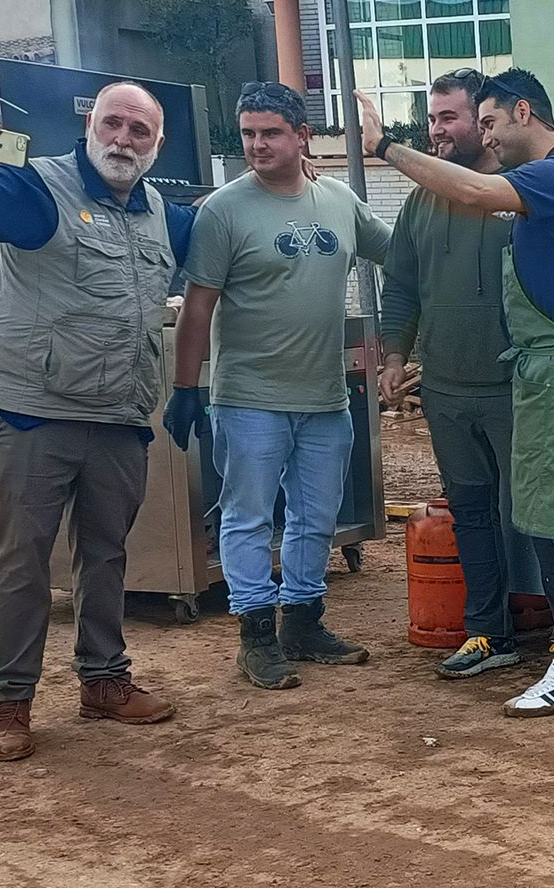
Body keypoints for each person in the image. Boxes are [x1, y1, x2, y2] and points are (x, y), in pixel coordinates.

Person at [355, 70, 554, 717]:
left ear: (521, 112)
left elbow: (474, 189)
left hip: (545, 373)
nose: (465, 132)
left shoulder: (550, 179)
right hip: (545, 370)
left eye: (482, 122)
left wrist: (382, 147)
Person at [0, 82, 187, 763]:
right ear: (90, 127)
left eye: (140, 130)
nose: (123, 139)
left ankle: (104, 681)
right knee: (23, 562)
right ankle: (10, 704)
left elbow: (227, 245)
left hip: (118, 415)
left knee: (107, 556)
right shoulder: (38, 189)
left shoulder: (164, 212)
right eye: (114, 124)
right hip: (30, 413)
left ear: (156, 144)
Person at [165, 82, 392, 690]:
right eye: (248, 134)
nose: (257, 145)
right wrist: (187, 387)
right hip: (250, 399)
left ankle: (304, 622)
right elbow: (196, 308)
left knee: (315, 517)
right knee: (247, 518)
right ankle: (257, 637)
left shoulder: (340, 200)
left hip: (325, 398)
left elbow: (401, 253)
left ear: (302, 137)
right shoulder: (224, 210)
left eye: (270, 133)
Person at [379, 68, 554, 680]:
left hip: (518, 388)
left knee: (541, 514)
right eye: (432, 119)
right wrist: (395, 356)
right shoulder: (421, 201)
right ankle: (488, 633)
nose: (438, 130)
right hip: (448, 390)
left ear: (486, 123)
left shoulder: (524, 190)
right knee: (472, 512)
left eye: (449, 117)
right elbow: (401, 282)